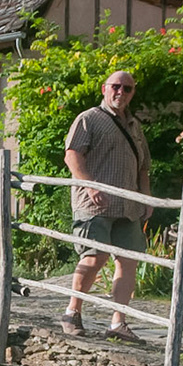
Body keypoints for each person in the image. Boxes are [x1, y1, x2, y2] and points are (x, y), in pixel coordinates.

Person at [62, 69, 151, 343]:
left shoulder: (135, 126)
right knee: (94, 257)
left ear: (132, 93)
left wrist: (146, 198)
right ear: (104, 88)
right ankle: (72, 312)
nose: (120, 93)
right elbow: (72, 156)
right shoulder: (89, 119)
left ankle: (118, 322)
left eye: (127, 88)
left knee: (128, 261)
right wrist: (91, 186)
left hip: (128, 206)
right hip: (94, 205)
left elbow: (143, 167)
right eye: (116, 86)